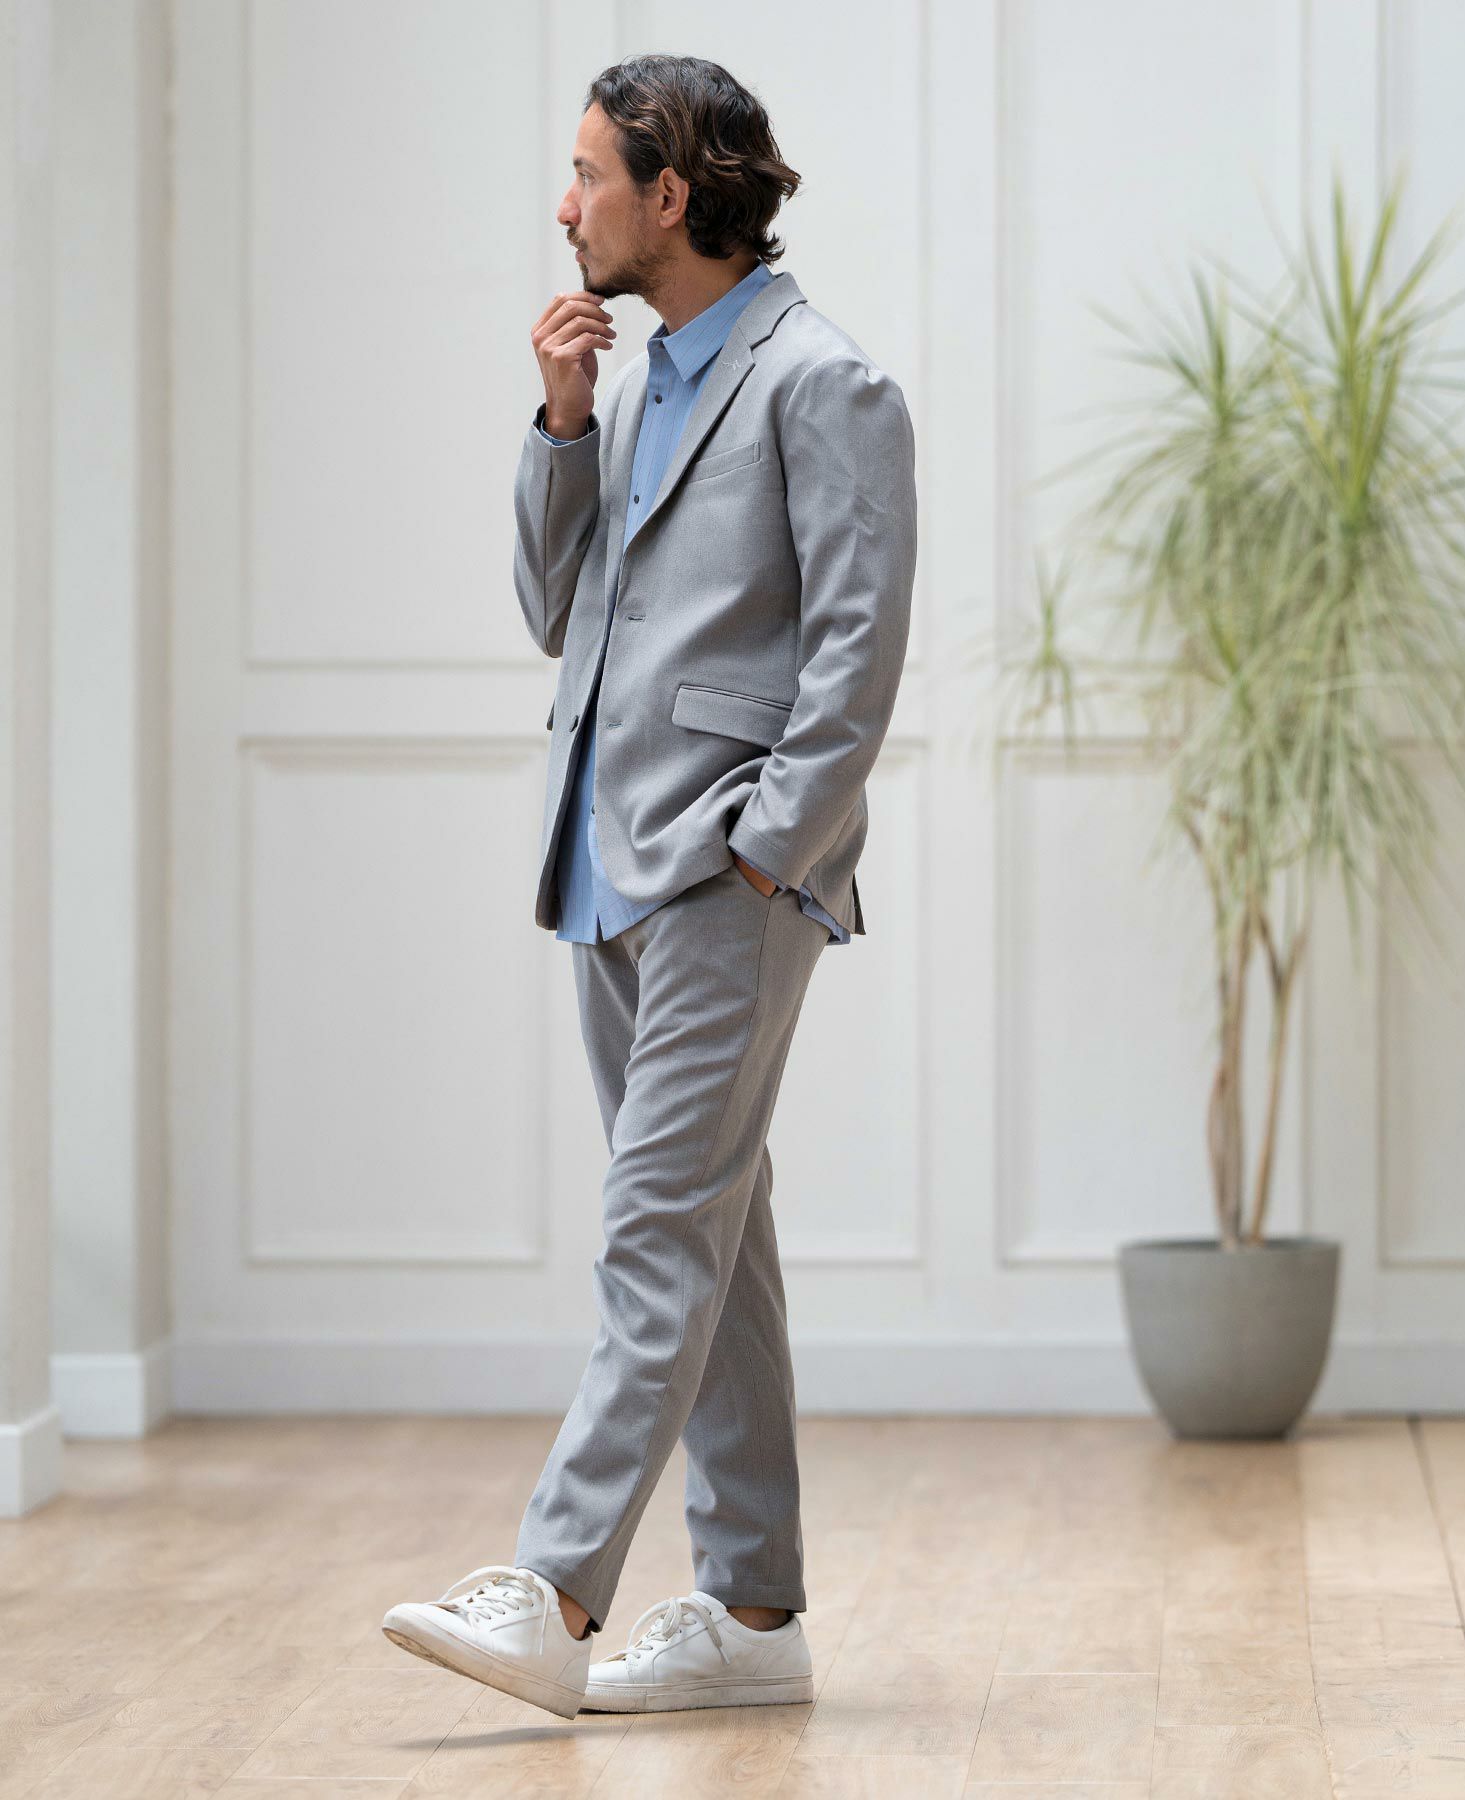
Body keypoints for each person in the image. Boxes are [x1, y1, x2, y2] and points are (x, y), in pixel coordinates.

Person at [382, 52, 917, 1720]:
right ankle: (755, 1615)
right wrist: (560, 423)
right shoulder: (635, 385)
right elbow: (562, 617)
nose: (567, 206)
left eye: (589, 174)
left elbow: (859, 652)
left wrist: (770, 848)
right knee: (712, 1231)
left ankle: (554, 1590)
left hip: (726, 878)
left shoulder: (825, 383)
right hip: (605, 863)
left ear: (670, 195)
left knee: (655, 1227)